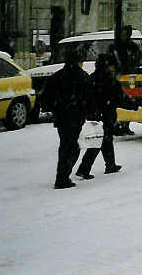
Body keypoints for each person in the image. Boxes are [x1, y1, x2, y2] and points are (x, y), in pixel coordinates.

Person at [41, 48, 90, 189]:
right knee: (71, 147)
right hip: (75, 116)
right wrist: (89, 111)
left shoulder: (57, 76)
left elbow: (46, 97)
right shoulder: (82, 77)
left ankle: (62, 176)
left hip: (61, 117)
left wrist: (53, 108)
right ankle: (62, 177)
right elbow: (88, 97)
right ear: (78, 62)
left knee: (65, 144)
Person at [75, 53, 125, 178]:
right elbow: (119, 98)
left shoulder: (92, 78)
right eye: (112, 66)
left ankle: (110, 164)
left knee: (103, 140)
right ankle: (84, 169)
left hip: (96, 115)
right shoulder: (110, 80)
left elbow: (86, 97)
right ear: (108, 66)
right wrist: (133, 104)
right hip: (106, 114)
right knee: (100, 141)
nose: (113, 68)